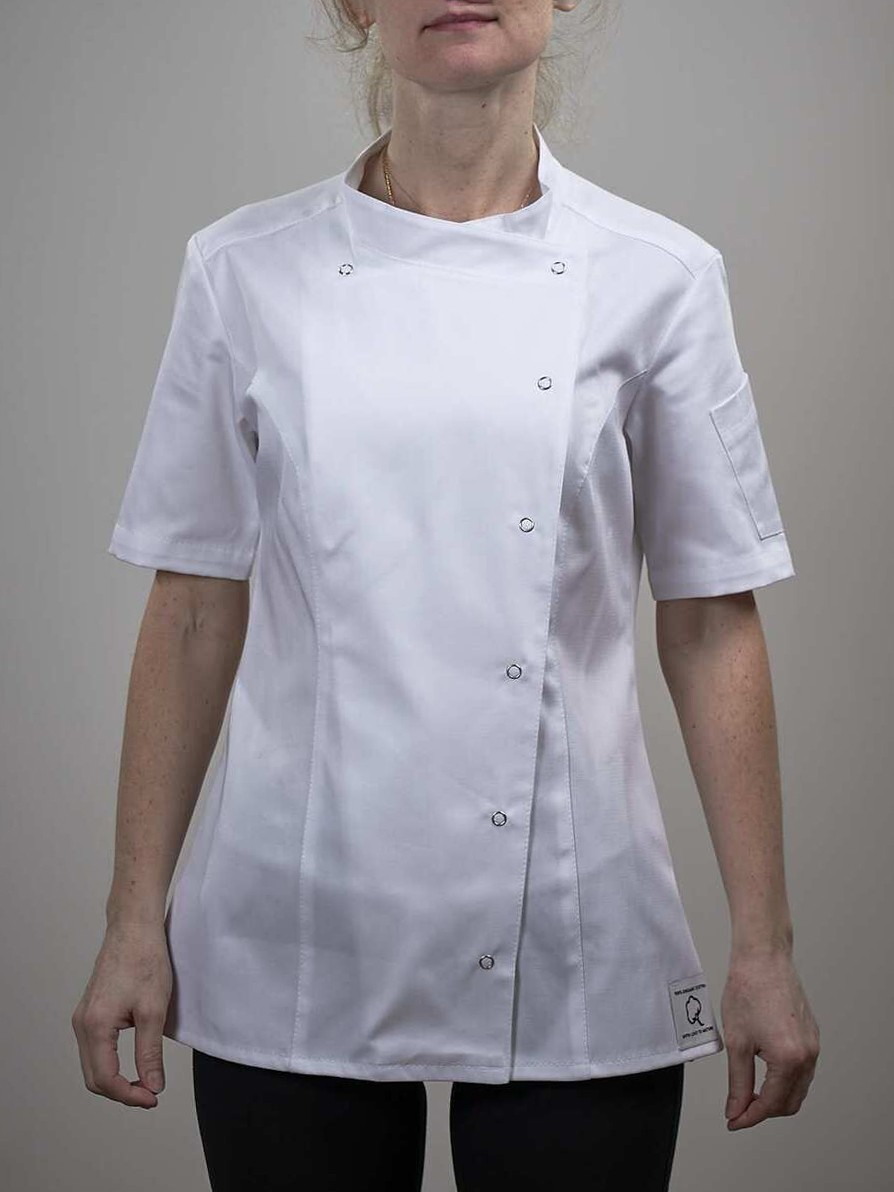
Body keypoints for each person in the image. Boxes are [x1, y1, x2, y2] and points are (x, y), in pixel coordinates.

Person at [73, 2, 820, 1189]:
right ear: (356, 5)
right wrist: (131, 921)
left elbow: (710, 620)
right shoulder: (241, 270)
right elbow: (196, 609)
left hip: (572, 922)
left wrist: (764, 948)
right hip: (295, 922)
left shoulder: (660, 277)